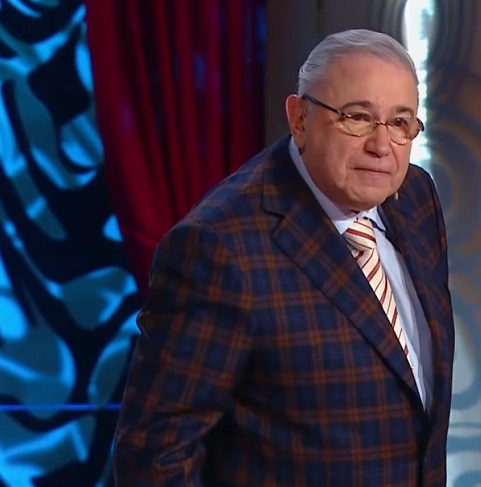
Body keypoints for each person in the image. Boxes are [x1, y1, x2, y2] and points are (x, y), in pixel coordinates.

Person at [113, 28, 455, 487]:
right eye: (357, 117)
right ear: (299, 118)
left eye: (400, 123)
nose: (381, 146)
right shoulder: (220, 247)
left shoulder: (416, 198)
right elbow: (155, 458)